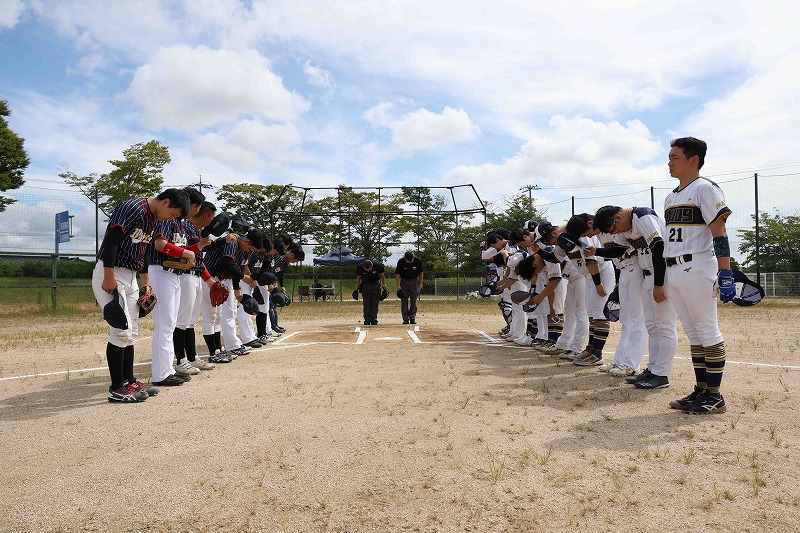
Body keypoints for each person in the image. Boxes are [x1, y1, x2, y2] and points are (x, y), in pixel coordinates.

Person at [91, 188, 188, 402]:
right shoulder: (133, 208)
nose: (170, 219)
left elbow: (143, 253)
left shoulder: (154, 219)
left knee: (132, 332)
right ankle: (117, 388)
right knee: (120, 331)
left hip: (131, 276)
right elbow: (111, 242)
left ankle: (130, 381)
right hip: (111, 272)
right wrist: (109, 277)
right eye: (172, 214)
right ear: (166, 202)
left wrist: (146, 284)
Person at [664, 136, 733, 414]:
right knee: (694, 333)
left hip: (698, 265)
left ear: (693, 160)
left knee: (707, 330)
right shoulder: (671, 196)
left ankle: (715, 396)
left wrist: (725, 271)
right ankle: (702, 389)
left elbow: (719, 232)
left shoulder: (705, 189)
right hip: (674, 267)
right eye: (669, 157)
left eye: (675, 157)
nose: (669, 162)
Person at [589, 205, 678, 389]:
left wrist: (659, 284)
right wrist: (595, 251)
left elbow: (659, 246)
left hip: (663, 274)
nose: (615, 233)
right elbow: (617, 250)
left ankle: (662, 374)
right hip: (648, 274)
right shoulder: (626, 226)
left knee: (664, 326)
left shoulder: (642, 216)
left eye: (613, 229)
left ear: (617, 218)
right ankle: (653, 370)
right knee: (652, 325)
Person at [395, 251, 424, 324]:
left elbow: (421, 273)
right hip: (404, 282)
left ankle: (412, 318)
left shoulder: (418, 261)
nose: (410, 261)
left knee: (413, 301)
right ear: (405, 258)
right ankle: (405, 319)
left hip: (414, 281)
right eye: (408, 260)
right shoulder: (401, 262)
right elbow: (397, 274)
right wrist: (398, 285)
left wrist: (421, 283)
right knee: (404, 301)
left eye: (411, 260)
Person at [355, 259, 387, 325]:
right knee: (366, 303)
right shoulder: (359, 267)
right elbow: (359, 276)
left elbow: (382, 275)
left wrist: (384, 284)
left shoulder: (378, 266)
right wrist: (357, 284)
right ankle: (367, 319)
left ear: (372, 266)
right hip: (365, 285)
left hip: (375, 284)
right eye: (366, 269)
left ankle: (374, 319)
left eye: (369, 269)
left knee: (375, 302)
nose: (368, 270)